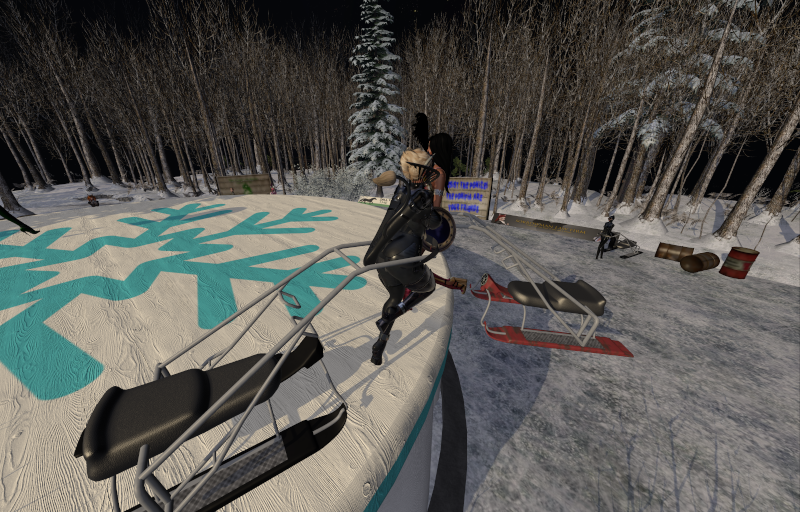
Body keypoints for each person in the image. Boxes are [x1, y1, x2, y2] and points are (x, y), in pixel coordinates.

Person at [363, 148, 465, 366]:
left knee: (394, 297)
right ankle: (391, 317)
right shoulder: (423, 195)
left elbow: (387, 224)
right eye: (428, 165)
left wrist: (371, 254)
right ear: (421, 170)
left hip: (383, 257)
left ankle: (379, 345)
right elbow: (436, 224)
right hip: (403, 258)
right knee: (427, 287)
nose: (431, 169)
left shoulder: (400, 190)